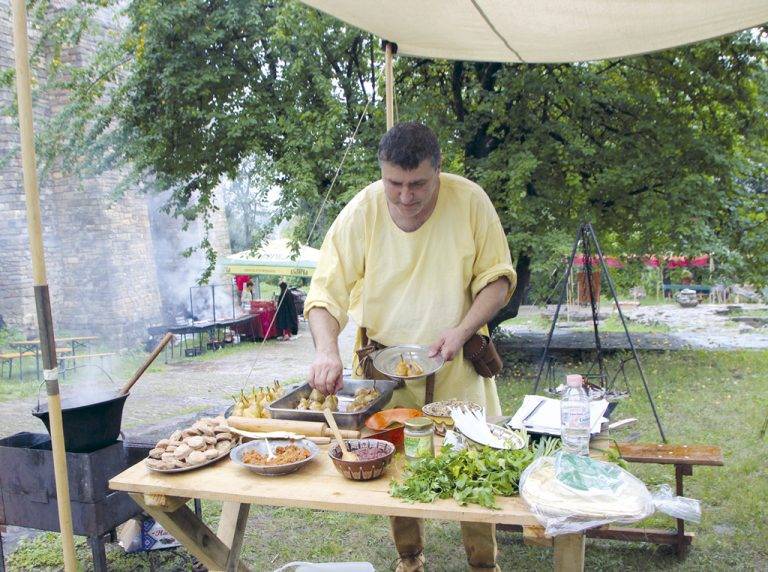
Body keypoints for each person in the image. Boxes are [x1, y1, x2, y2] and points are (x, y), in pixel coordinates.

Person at [304, 122, 516, 572]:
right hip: (387, 375)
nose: (404, 196)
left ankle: (483, 563)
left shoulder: (470, 201)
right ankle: (410, 559)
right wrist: (326, 349)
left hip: (456, 365)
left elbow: (498, 279)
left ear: (438, 170)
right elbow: (324, 293)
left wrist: (463, 329)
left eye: (417, 183)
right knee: (394, 462)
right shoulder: (362, 211)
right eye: (393, 184)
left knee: (473, 462)